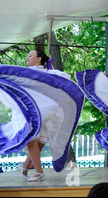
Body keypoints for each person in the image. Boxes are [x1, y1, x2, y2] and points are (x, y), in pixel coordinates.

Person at [2, 49, 83, 182]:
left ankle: (25, 165)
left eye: (30, 55)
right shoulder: (23, 74)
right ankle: (39, 172)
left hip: (46, 115)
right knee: (31, 141)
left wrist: (48, 78)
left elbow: (65, 80)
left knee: (38, 144)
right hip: (28, 113)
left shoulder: (50, 74)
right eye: (27, 56)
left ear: (39, 59)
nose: (27, 58)